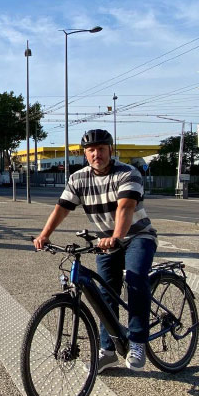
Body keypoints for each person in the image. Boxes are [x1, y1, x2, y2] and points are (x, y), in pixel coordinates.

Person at [32, 129, 157, 372]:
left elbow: (126, 207)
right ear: (85, 154)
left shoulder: (128, 173)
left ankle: (138, 341)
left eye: (101, 149)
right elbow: (62, 208)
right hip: (106, 241)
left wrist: (117, 236)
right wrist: (44, 235)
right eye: (91, 150)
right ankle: (108, 350)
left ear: (111, 150)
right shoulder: (79, 178)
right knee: (104, 293)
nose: (96, 154)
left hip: (137, 236)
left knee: (134, 279)